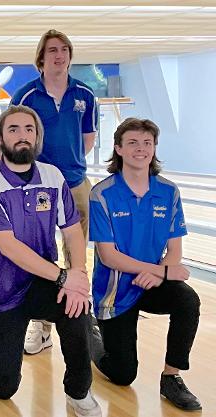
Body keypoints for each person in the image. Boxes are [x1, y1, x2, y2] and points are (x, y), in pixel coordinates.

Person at [0, 105, 102, 417]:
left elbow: (72, 230)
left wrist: (77, 276)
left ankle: (78, 392)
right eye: (13, 130)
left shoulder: (52, 177)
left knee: (77, 308)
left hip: (41, 283)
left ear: (38, 137)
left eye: (28, 129)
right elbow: (9, 247)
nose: (22, 136)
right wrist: (65, 277)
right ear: (0, 138)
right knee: (1, 388)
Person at [89, 118, 201, 411]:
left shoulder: (168, 191)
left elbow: (174, 249)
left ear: (154, 149)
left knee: (187, 300)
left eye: (147, 143)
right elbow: (108, 255)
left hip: (149, 283)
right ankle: (91, 334)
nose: (141, 149)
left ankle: (171, 376)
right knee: (123, 374)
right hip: (115, 290)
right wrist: (161, 271)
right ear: (119, 149)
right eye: (133, 143)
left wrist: (159, 274)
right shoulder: (102, 194)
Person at [11, 29, 98, 355]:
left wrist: (68, 167)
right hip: (38, 189)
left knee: (78, 259)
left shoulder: (85, 95)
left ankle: (82, 318)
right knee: (43, 257)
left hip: (75, 185)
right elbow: (16, 139)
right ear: (41, 58)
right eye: (52, 50)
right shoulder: (25, 95)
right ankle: (43, 326)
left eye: (64, 50)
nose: (59, 55)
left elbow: (87, 140)